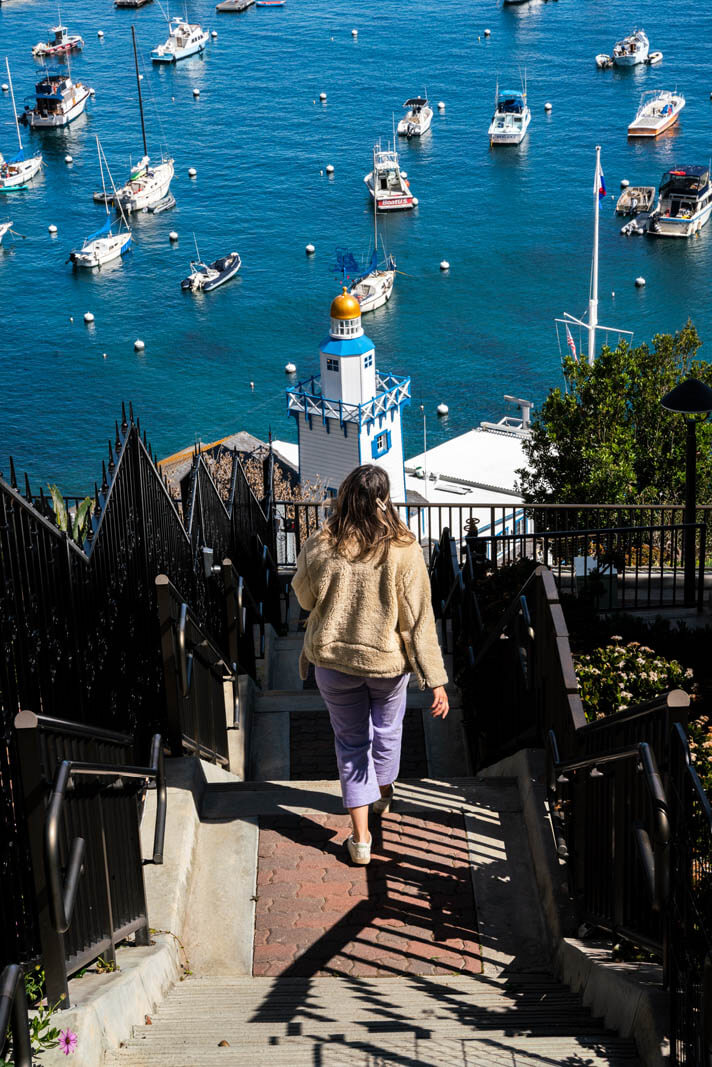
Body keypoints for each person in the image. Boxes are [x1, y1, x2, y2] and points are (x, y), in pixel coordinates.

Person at [292, 464, 449, 866]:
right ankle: (381, 791)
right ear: (385, 498)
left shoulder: (321, 544)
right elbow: (418, 619)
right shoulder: (405, 549)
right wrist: (435, 680)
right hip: (387, 666)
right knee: (387, 731)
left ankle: (360, 840)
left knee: (350, 746)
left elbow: (305, 599)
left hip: (334, 660)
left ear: (345, 496)